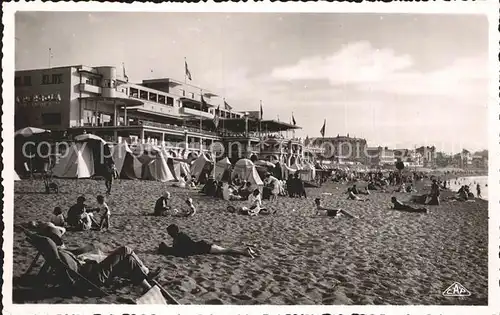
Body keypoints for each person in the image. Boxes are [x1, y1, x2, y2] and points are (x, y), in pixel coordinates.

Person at [28, 232, 161, 294]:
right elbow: (68, 276)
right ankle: (146, 271)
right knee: (125, 250)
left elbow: (53, 264)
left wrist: (38, 279)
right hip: (94, 276)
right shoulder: (61, 256)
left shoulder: (59, 255)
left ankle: (146, 286)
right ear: (58, 244)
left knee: (129, 260)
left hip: (93, 270)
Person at [158, 224, 256, 258]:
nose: (169, 235)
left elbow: (180, 252)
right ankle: (244, 250)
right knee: (225, 250)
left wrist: (167, 249)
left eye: (169, 233)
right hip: (202, 245)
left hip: (204, 248)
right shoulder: (180, 236)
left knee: (225, 251)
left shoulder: (178, 239)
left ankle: (244, 251)